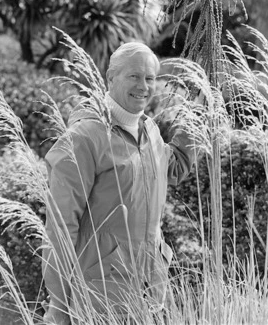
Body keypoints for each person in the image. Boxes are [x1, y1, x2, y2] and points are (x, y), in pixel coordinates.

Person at [42, 42, 196, 324]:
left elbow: (172, 168)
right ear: (111, 78)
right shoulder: (85, 136)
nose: (144, 86)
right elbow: (61, 227)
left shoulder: (148, 129)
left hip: (149, 291)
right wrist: (58, 303)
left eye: (150, 78)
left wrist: (193, 123)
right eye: (134, 76)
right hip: (101, 296)